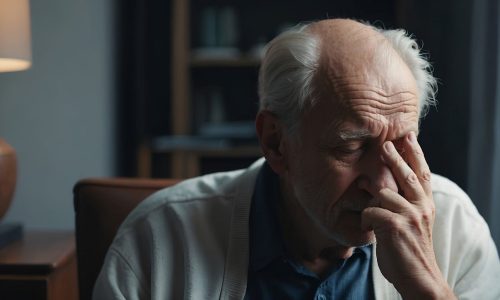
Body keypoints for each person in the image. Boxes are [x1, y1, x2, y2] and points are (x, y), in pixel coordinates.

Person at [93, 19, 500, 299]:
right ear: (275, 142)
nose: (383, 183)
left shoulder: (454, 229)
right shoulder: (160, 239)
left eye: (401, 146)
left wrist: (428, 290)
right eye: (352, 147)